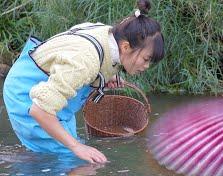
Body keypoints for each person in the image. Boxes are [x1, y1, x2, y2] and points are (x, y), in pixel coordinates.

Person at [2, 0, 164, 164]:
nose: (146, 66)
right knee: (73, 159)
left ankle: (26, 156)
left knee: (63, 152)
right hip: (26, 92)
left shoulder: (108, 36)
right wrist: (76, 147)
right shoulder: (85, 61)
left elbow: (77, 59)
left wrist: (104, 76)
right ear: (126, 47)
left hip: (48, 84)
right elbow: (39, 110)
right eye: (146, 59)